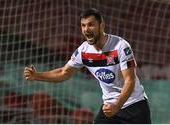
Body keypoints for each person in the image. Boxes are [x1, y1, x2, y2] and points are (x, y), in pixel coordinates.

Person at [23, 8, 151, 124]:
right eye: (83, 25)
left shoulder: (121, 46)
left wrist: (117, 106)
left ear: (102, 25)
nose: (86, 29)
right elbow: (64, 72)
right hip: (109, 107)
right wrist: (37, 75)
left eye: (91, 25)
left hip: (135, 106)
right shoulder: (84, 51)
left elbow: (130, 81)